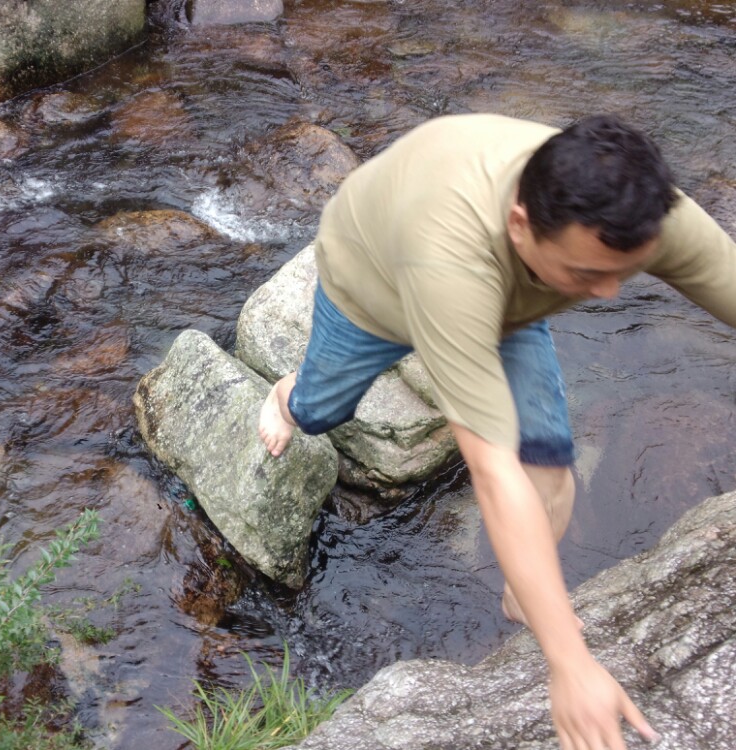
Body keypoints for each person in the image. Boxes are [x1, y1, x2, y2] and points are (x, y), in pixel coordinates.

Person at [258, 113, 736, 750]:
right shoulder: (452, 259)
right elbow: (491, 471)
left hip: (505, 303)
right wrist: (569, 664)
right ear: (520, 224)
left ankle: (523, 587)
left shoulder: (635, 214)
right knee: (324, 410)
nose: (610, 294)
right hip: (372, 285)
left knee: (551, 471)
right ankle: (289, 395)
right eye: (587, 275)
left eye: (626, 272)